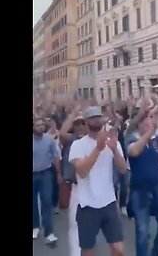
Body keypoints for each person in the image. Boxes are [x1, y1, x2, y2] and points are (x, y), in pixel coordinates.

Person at [69, 106, 127, 256]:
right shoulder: (78, 145)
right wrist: (98, 149)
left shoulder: (112, 142)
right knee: (88, 250)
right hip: (87, 204)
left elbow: (123, 170)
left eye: (98, 117)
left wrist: (114, 150)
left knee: (118, 249)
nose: (96, 120)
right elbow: (81, 172)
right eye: (93, 118)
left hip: (108, 202)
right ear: (86, 122)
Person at [125, 102, 158, 256]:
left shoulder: (155, 139)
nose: (148, 122)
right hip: (139, 192)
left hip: (157, 188)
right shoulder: (130, 139)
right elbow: (133, 152)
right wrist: (151, 132)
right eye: (145, 120)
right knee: (142, 232)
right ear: (137, 124)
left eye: (149, 119)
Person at [59, 106, 87, 256]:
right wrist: (74, 113)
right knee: (74, 224)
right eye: (77, 124)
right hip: (75, 188)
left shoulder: (93, 140)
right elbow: (62, 133)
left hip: (91, 187)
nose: (81, 127)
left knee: (90, 225)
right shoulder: (71, 140)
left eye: (83, 123)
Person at [33, 118, 62, 246]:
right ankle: (35, 226)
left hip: (45, 173)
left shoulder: (49, 140)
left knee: (46, 201)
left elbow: (55, 156)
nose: (40, 127)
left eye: (42, 125)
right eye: (37, 125)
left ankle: (49, 232)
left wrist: (59, 173)